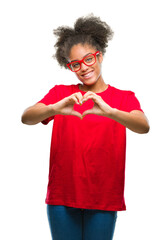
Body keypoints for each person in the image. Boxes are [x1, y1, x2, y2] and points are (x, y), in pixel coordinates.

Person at [21, 14, 150, 240]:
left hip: (103, 198)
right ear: (69, 66)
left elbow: (143, 126)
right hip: (62, 197)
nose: (83, 67)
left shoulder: (123, 98)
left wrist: (110, 111)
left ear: (99, 56)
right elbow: (27, 117)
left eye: (88, 59)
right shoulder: (61, 94)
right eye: (75, 64)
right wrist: (54, 108)